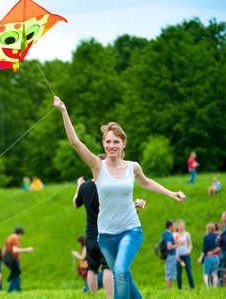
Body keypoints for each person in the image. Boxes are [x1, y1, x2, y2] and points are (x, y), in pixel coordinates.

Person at [54, 96, 185, 299]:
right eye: (108, 142)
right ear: (104, 144)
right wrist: (64, 111)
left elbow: (147, 182)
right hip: (105, 236)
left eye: (116, 142)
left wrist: (171, 193)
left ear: (124, 144)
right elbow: (75, 142)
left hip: (130, 230)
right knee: (124, 275)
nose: (111, 145)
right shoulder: (98, 167)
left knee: (120, 272)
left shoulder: (133, 167)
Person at [73, 165, 113, 297]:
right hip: (107, 232)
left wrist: (79, 185)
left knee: (92, 268)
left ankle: (93, 296)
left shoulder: (85, 187)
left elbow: (76, 204)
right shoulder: (110, 185)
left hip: (90, 233)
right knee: (107, 268)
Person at [3, 227, 34, 293]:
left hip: (7, 258)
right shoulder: (15, 238)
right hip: (12, 259)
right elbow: (15, 250)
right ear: (20, 233)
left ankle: (18, 290)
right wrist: (27, 249)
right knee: (15, 274)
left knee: (16, 274)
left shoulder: (9, 237)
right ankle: (9, 292)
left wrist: (2, 258)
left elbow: (5, 248)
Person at [197, 223, 220, 287]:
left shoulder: (206, 237)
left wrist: (200, 258)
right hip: (216, 257)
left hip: (208, 258)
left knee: (206, 273)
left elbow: (204, 249)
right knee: (215, 274)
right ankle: (215, 287)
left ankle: (207, 287)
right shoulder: (218, 236)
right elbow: (219, 246)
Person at [174, 220, 194, 289]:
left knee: (189, 271)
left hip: (186, 255)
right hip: (178, 256)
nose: (181, 227)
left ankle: (192, 287)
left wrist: (189, 250)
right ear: (177, 226)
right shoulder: (175, 235)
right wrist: (176, 255)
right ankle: (179, 288)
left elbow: (190, 244)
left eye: (182, 225)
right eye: (179, 226)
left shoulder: (187, 234)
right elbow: (174, 245)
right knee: (178, 273)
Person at [163, 220, 178, 290]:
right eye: (173, 225)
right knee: (169, 273)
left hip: (168, 256)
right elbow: (169, 247)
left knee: (168, 272)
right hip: (170, 255)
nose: (174, 227)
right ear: (170, 226)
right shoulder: (168, 235)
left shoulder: (165, 234)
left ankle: (169, 289)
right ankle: (169, 289)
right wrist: (177, 245)